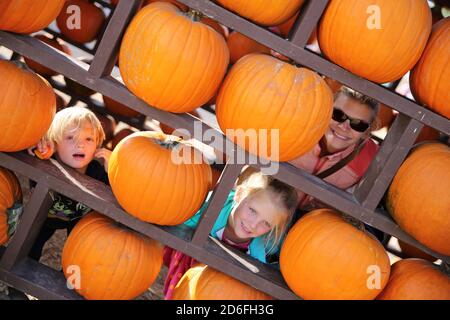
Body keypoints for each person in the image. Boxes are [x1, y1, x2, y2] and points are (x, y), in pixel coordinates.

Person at [163, 170, 298, 299]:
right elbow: (183, 223)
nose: (253, 224)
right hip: (196, 260)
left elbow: (260, 275)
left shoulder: (260, 244)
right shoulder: (213, 208)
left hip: (226, 275)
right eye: (252, 210)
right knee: (189, 252)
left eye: (266, 223)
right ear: (238, 195)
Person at [289, 86, 380, 212]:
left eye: (358, 124)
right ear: (326, 110)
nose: (344, 126)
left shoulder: (371, 160)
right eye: (338, 114)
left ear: (366, 132)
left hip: (317, 223)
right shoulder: (295, 128)